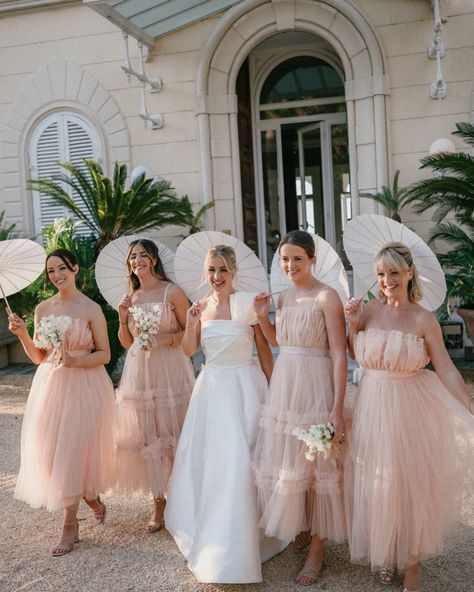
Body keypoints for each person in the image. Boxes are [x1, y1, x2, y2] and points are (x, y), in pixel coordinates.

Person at [344, 241, 473, 592]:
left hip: (411, 405)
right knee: (379, 481)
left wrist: (469, 404)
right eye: (381, 274)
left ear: (409, 273)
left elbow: (445, 368)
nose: (387, 280)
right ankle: (386, 551)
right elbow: (352, 353)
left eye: (394, 273)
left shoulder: (423, 318)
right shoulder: (368, 309)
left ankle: (412, 562)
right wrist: (353, 324)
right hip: (372, 401)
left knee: (412, 481)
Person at [165, 243, 287, 583]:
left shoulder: (249, 303)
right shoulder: (199, 307)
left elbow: (265, 350)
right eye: (211, 270)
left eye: (222, 270)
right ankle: (215, 532)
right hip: (212, 389)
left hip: (245, 387)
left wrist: (274, 389)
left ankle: (252, 534)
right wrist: (190, 324)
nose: (216, 276)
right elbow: (189, 350)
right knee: (214, 460)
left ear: (233, 272)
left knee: (244, 458)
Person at [253, 229, 348, 585]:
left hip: (315, 386)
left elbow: (339, 355)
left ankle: (319, 548)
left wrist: (336, 408)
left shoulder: (327, 296)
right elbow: (280, 342)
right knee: (291, 459)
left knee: (320, 464)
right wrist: (263, 317)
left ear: (311, 259)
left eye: (296, 258)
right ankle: (304, 526)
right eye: (284, 259)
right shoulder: (283, 297)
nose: (290, 265)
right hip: (286, 385)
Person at [9, 249, 115, 556]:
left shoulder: (90, 308)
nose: (57, 275)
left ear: (75, 268)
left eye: (62, 268)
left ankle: (70, 525)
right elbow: (40, 356)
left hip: (85, 384)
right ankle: (91, 498)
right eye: (51, 271)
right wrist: (23, 335)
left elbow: (104, 355)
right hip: (51, 385)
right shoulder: (43, 309)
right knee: (54, 452)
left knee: (73, 449)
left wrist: (73, 361)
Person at [114, 239, 194, 532]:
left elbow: (190, 335)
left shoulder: (172, 292)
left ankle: (183, 498)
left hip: (170, 368)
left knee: (174, 433)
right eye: (133, 256)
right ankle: (157, 502)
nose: (137, 260)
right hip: (140, 371)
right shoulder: (130, 297)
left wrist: (165, 339)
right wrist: (123, 320)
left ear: (155, 259)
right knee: (149, 436)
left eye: (143, 255)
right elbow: (127, 343)